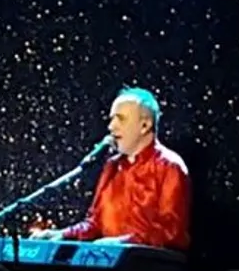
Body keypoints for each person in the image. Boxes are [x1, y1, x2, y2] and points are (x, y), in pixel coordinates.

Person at [31, 87, 190, 249]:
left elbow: (171, 231)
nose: (111, 127)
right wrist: (62, 234)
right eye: (111, 119)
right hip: (110, 263)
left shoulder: (170, 166)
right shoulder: (111, 166)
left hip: (150, 266)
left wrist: (123, 243)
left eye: (120, 119)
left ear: (145, 125)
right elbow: (94, 223)